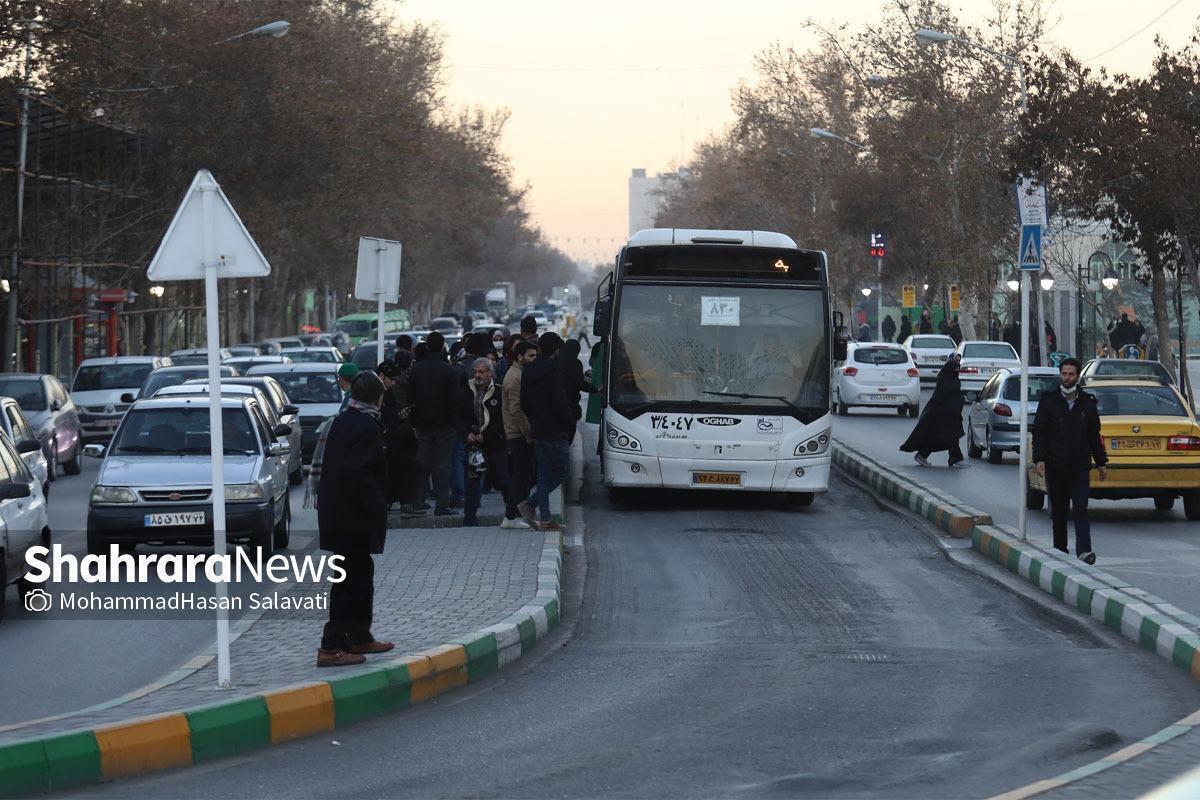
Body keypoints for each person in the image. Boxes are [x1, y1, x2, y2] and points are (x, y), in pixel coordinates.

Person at [316, 371, 394, 668]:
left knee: (361, 576)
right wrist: (377, 505)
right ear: (377, 397)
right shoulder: (364, 426)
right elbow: (359, 473)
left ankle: (359, 636)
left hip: (342, 515)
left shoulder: (345, 419)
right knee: (348, 581)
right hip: (352, 517)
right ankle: (331, 645)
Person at [1032, 358, 1107, 564]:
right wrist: (1039, 459)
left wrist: (1101, 462)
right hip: (1056, 466)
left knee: (1081, 508)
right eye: (1064, 374)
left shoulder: (1088, 404)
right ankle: (1060, 550)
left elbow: (1094, 435)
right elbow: (1039, 433)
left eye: (1071, 374)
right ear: (1060, 375)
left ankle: (1084, 551)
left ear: (1077, 376)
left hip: (1080, 466)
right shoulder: (1049, 402)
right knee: (1059, 511)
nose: (1067, 378)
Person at [407, 331, 469, 515]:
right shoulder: (449, 370)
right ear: (442, 346)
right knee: (443, 465)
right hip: (445, 425)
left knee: (422, 463)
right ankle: (442, 504)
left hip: (422, 424)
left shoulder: (416, 370)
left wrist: (414, 420)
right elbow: (455, 399)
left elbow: (411, 398)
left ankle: (418, 500)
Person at [519, 332, 575, 530]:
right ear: (557, 350)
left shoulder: (529, 370)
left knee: (543, 473)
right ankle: (535, 508)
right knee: (561, 471)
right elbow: (560, 403)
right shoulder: (554, 372)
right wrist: (570, 422)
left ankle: (542, 515)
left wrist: (535, 418)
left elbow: (523, 403)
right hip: (555, 430)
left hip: (538, 428)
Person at [899, 354, 969, 468]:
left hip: (951, 415)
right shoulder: (945, 380)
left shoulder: (951, 378)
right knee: (945, 437)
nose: (957, 370)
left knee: (947, 437)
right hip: (942, 415)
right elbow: (945, 394)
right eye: (956, 368)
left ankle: (953, 458)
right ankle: (955, 459)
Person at [464, 358, 509, 527]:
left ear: (490, 373)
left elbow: (503, 418)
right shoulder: (467, 390)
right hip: (474, 443)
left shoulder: (498, 391)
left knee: (504, 479)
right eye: (475, 371)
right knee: (473, 481)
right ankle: (469, 519)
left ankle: (512, 514)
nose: (478, 375)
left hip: (495, 443)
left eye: (481, 371)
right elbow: (461, 415)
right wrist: (467, 433)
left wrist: (487, 434)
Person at [502, 339, 537, 529]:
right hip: (518, 434)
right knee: (519, 477)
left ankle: (520, 514)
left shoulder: (520, 373)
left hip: (519, 433)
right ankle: (510, 516)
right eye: (530, 356)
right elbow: (516, 409)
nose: (534, 359)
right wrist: (529, 432)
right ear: (520, 357)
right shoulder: (516, 377)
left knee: (524, 476)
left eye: (535, 355)